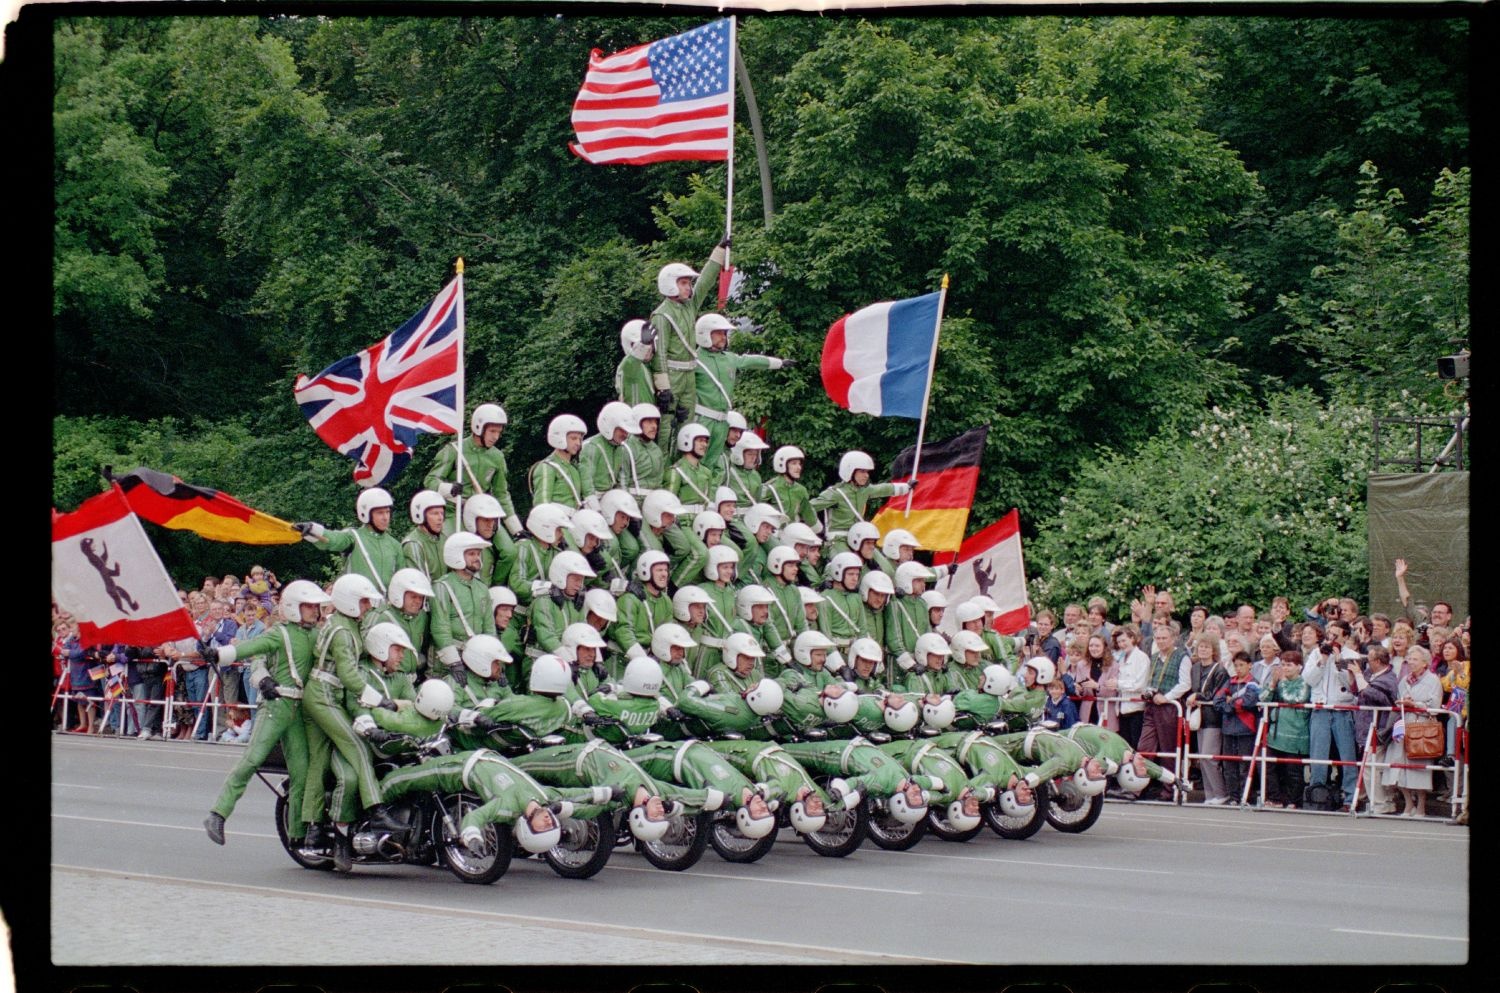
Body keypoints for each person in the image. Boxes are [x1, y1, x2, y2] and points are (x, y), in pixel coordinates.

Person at [201, 581, 333, 846]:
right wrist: (219, 653)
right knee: (252, 759)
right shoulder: (280, 633)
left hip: (299, 710)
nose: (315, 611)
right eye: (309, 606)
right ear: (294, 607)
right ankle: (218, 813)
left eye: (316, 606)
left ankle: (297, 833)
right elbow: (252, 648)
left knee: (301, 772)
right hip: (276, 706)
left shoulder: (317, 634)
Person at [298, 574, 407, 865]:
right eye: (363, 601)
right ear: (348, 600)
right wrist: (377, 699)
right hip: (326, 694)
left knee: (319, 763)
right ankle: (376, 808)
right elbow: (348, 675)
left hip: (320, 693)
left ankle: (312, 828)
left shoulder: (341, 623)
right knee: (359, 749)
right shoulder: (345, 631)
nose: (368, 606)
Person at [650, 239, 728, 449]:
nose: (689, 287)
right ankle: (663, 465)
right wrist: (663, 387)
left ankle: (681, 466)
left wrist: (719, 251)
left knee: (687, 422)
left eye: (688, 283)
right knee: (666, 423)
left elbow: (705, 282)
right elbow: (660, 354)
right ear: (670, 284)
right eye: (683, 283)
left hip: (689, 374)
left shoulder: (689, 307)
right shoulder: (661, 315)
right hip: (673, 374)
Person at [690, 312, 791, 465]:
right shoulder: (694, 360)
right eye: (718, 333)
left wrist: (779, 363)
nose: (724, 337)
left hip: (723, 421)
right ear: (704, 334)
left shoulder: (730, 358)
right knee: (696, 462)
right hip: (702, 419)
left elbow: (751, 361)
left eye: (725, 333)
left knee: (713, 464)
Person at [296, 488, 403, 602]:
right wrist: (313, 530)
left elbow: (401, 580)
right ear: (365, 513)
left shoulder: (395, 545)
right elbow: (334, 539)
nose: (385, 517)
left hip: (385, 609)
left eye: (387, 512)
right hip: (356, 606)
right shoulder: (353, 537)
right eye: (380, 513)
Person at [1301, 622, 1360, 811]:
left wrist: (1338, 662)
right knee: (1318, 755)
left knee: (1347, 756)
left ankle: (1350, 798)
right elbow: (1308, 679)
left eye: (1335, 635)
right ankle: (1317, 795)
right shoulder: (1317, 653)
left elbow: (1352, 685)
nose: (1331, 639)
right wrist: (1322, 661)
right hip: (1320, 708)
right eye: (1329, 635)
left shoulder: (1352, 656)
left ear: (1345, 637)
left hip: (1343, 710)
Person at [1385, 645, 1442, 817]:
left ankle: (1421, 805)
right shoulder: (1404, 680)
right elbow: (1399, 699)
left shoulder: (1433, 680)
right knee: (1397, 763)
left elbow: (1435, 707)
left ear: (1425, 663)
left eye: (1415, 659)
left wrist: (1415, 704)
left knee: (1419, 767)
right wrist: (1402, 703)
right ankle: (1408, 803)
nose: (1411, 662)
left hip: (1422, 726)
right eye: (1410, 659)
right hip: (1403, 724)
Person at [811, 451, 914, 544]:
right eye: (862, 471)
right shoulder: (835, 493)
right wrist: (818, 529)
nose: (866, 475)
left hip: (859, 538)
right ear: (850, 471)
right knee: (847, 562)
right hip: (838, 540)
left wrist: (907, 487)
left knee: (880, 562)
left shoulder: (865, 490)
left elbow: (883, 489)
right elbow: (808, 507)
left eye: (867, 472)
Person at [1259, 650, 1311, 809]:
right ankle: (1274, 798)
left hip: (1295, 734)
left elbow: (1294, 699)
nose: (1285, 668)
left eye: (1289, 665)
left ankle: (1294, 801)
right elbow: (1263, 698)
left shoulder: (1305, 683)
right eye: (1283, 665)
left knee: (1293, 771)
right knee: (1269, 767)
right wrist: (1273, 684)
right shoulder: (1278, 682)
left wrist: (1280, 684)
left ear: (1299, 667)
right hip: (1275, 733)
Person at [1351, 645, 1400, 814]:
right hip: (1367, 729)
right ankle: (1383, 801)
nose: (1366, 664)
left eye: (1369, 660)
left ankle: (1379, 803)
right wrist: (1354, 674)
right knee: (1375, 767)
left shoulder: (1388, 679)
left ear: (1378, 661)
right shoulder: (1371, 675)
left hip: (1379, 730)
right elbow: (1356, 690)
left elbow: (1372, 694)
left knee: (1372, 768)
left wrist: (1358, 675)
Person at [1186, 636, 1230, 804]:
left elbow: (1216, 694)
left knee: (1209, 756)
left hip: (1213, 719)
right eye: (1200, 647)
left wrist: (1198, 696)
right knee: (1202, 758)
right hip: (1200, 718)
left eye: (1207, 647)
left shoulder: (1219, 670)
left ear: (1214, 650)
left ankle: (1220, 792)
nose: (1203, 650)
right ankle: (1210, 794)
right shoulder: (1195, 668)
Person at [1215, 652, 1260, 805]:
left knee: (1245, 766)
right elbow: (1217, 700)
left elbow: (1249, 701)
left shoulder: (1253, 683)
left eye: (1242, 665)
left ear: (1249, 665)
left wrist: (1230, 703)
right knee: (1229, 765)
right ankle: (1233, 797)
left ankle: (1245, 795)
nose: (1238, 669)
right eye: (1236, 665)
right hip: (1228, 728)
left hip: (1246, 729)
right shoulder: (1230, 682)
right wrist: (1234, 705)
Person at [579, 402, 640, 507]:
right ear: (610, 426)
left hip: (610, 498)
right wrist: (594, 506)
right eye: (622, 430)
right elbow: (586, 481)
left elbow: (622, 480)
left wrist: (626, 503)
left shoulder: (620, 448)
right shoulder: (592, 446)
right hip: (592, 500)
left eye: (627, 431)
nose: (625, 435)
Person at [760, 446, 819, 531]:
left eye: (799, 463)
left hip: (793, 533)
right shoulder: (770, 487)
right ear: (782, 464)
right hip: (773, 533)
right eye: (794, 463)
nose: (799, 467)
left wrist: (818, 532)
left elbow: (809, 515)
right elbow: (759, 511)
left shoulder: (801, 490)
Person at [667, 423, 717, 524]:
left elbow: (707, 501)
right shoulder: (676, 471)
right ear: (687, 441)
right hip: (683, 522)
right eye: (700, 441)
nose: (705, 445)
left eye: (706, 441)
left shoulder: (707, 473)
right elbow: (669, 503)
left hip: (703, 521)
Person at [1113, 625, 1150, 747]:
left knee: (1136, 745)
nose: (1121, 644)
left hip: (1137, 709)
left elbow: (1139, 684)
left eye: (1124, 641)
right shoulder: (1121, 659)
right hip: (1122, 709)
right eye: (1119, 642)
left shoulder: (1141, 657)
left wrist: (1118, 684)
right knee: (1126, 745)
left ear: (1132, 639)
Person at [615, 318, 657, 406]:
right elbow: (632, 362)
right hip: (637, 416)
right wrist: (643, 345)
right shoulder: (628, 367)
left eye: (651, 345)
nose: (648, 349)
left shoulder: (647, 367)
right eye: (645, 346)